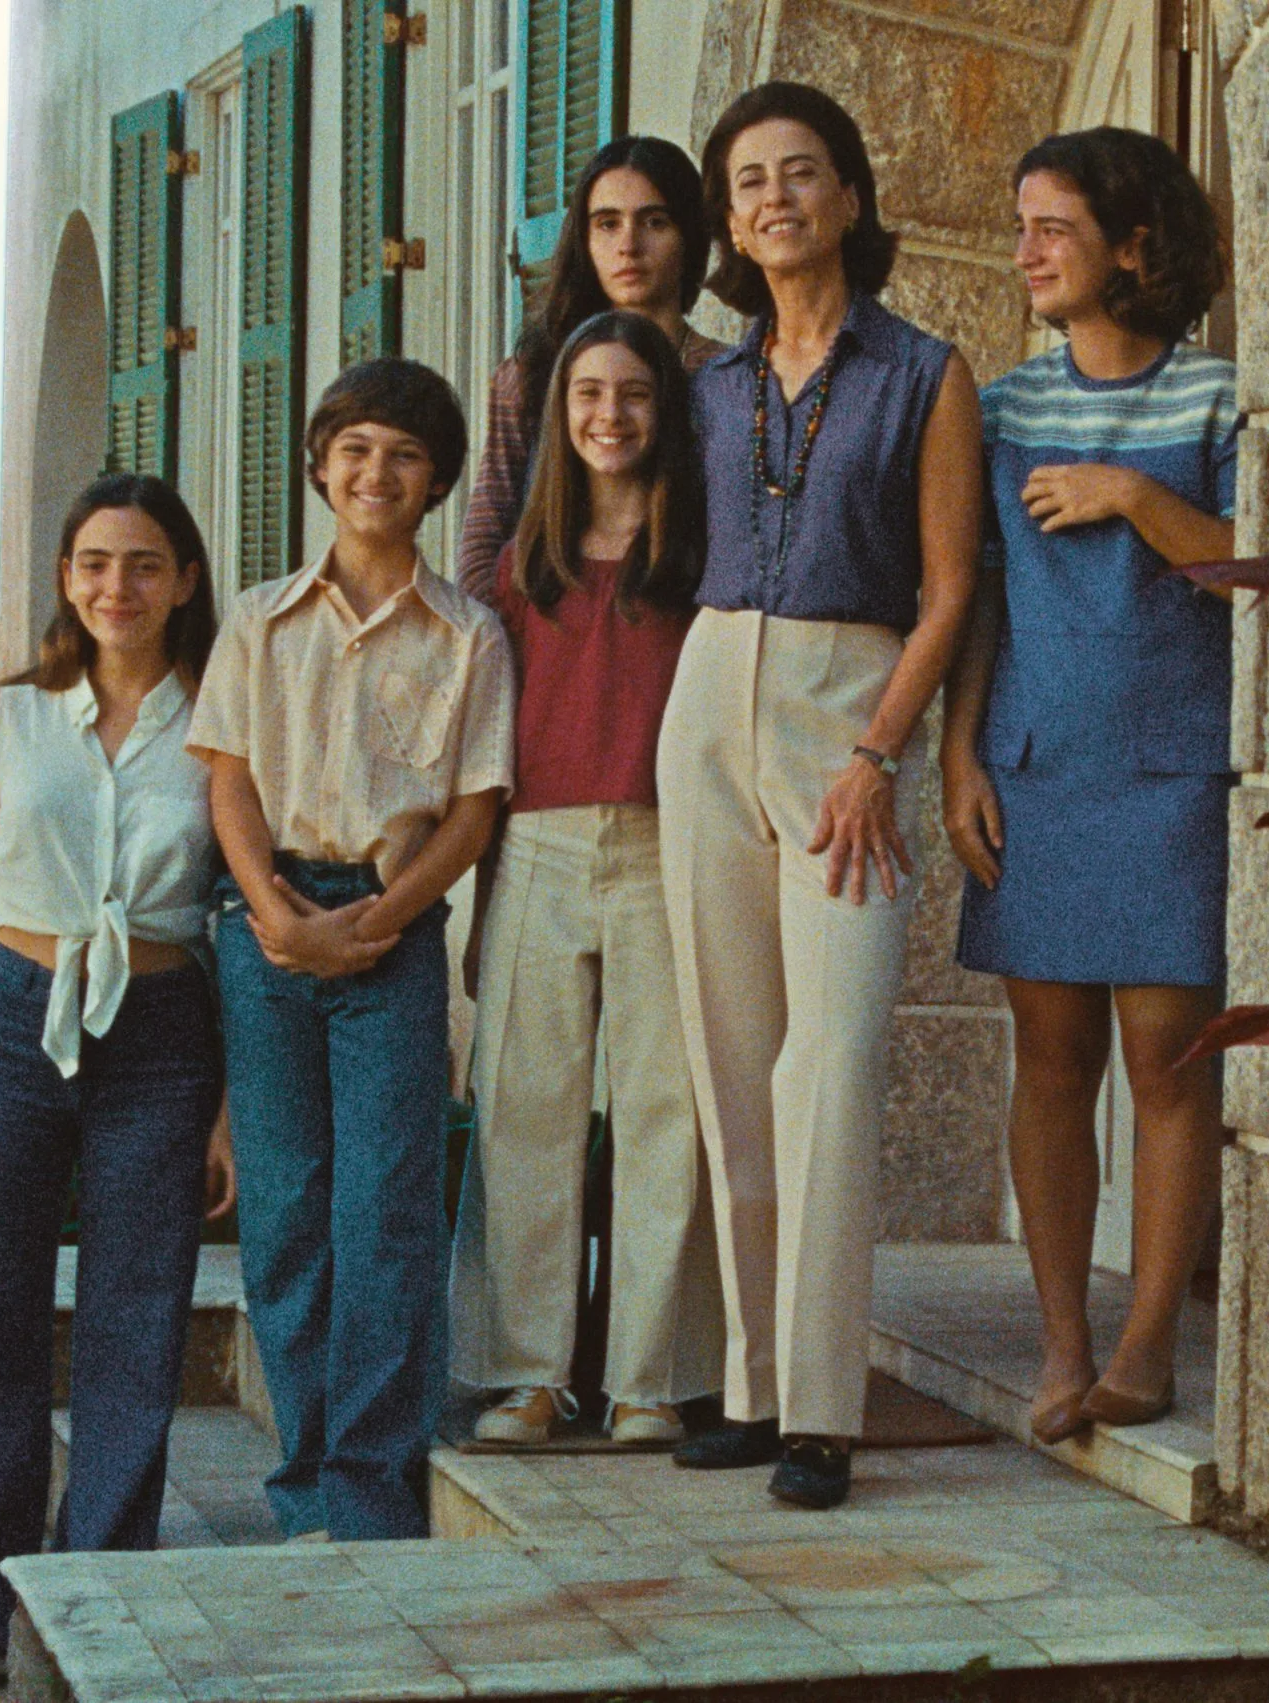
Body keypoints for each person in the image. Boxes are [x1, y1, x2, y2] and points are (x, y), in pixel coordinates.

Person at [658, 82, 981, 1511]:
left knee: (833, 1058)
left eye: (802, 173)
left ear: (851, 195)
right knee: (733, 1058)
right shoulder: (709, 387)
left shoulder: (927, 371)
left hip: (846, 709)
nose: (774, 197)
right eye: (748, 181)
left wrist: (879, 754)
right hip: (709, 689)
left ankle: (828, 1408)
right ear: (730, 221)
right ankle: (754, 1383)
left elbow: (955, 585)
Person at [0, 473, 233, 1684]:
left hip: (165, 1021)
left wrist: (230, 1102)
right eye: (91, 563)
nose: (113, 587)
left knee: (139, 1314)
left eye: (140, 563)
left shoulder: (224, 713)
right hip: (13, 1012)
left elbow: (236, 912)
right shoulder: (10, 713)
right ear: (66, 579)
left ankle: (95, 1593)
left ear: (184, 578)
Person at [942, 126, 1238, 1446]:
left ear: (1134, 243)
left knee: (1167, 1061)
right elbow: (974, 596)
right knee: (1050, 1060)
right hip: (1034, 768)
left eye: (1052, 226)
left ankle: (1147, 1345)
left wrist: (1133, 495)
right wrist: (957, 755)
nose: (1026, 252)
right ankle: (1065, 1344)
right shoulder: (999, 408)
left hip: (1171, 770)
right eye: (1021, 226)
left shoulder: (1216, 400)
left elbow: (1256, 570)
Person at [188, 358, 514, 1541]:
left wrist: (372, 926)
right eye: (357, 449)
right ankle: (304, 1482)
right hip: (267, 925)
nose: (378, 473)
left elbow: (473, 810)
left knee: (385, 1212)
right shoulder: (259, 620)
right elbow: (228, 773)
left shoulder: (467, 633)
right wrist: (275, 915)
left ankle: (373, 1486)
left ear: (435, 483)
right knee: (284, 1213)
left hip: (394, 931)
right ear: (321, 465)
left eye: (406, 455)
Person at [449, 311, 724, 1447]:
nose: (610, 416)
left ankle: (649, 1374)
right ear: (560, 416)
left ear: (667, 413)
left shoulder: (703, 555)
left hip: (669, 843)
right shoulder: (525, 562)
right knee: (527, 1107)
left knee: (668, 1107)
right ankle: (528, 1373)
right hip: (540, 844)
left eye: (634, 395)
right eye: (588, 396)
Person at [456, 135, 726, 600]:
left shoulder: (728, 378)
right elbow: (484, 543)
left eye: (654, 222)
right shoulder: (529, 377)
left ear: (689, 236)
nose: (628, 245)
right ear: (582, 238)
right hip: (548, 635)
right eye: (607, 224)